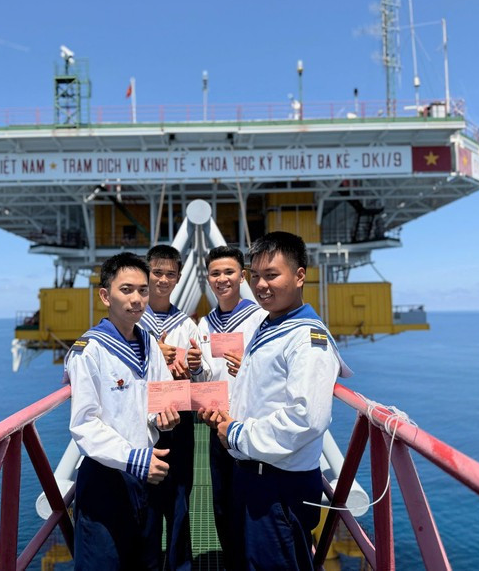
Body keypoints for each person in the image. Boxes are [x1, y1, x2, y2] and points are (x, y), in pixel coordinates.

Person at [207, 231, 353, 570]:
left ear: (299, 276)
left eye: (272, 275)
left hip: (277, 486)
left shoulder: (307, 339)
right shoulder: (272, 325)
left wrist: (237, 433)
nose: (261, 285)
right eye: (256, 276)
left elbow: (307, 418)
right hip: (255, 475)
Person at [65, 252, 181, 569]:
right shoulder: (89, 351)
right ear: (106, 296)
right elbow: (84, 424)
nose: (137, 299)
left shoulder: (148, 344)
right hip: (107, 476)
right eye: (126, 290)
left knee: (147, 562)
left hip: (146, 475)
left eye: (143, 290)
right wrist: (134, 458)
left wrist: (162, 418)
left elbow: (159, 395)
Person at [195, 245, 266, 571]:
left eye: (229, 272)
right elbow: (204, 378)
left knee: (252, 504)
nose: (222, 278)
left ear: (242, 276)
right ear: (207, 278)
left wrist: (250, 367)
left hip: (250, 426)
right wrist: (194, 367)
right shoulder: (204, 325)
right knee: (221, 502)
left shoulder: (260, 318)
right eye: (215, 273)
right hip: (217, 425)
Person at [139, 244, 201, 571]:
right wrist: (153, 353)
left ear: (178, 279)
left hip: (178, 418)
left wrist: (192, 367)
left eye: (170, 274)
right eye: (157, 273)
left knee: (180, 496)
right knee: (146, 499)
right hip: (142, 420)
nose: (163, 280)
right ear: (147, 274)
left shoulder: (186, 325)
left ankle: (180, 564)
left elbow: (198, 373)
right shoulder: (133, 319)